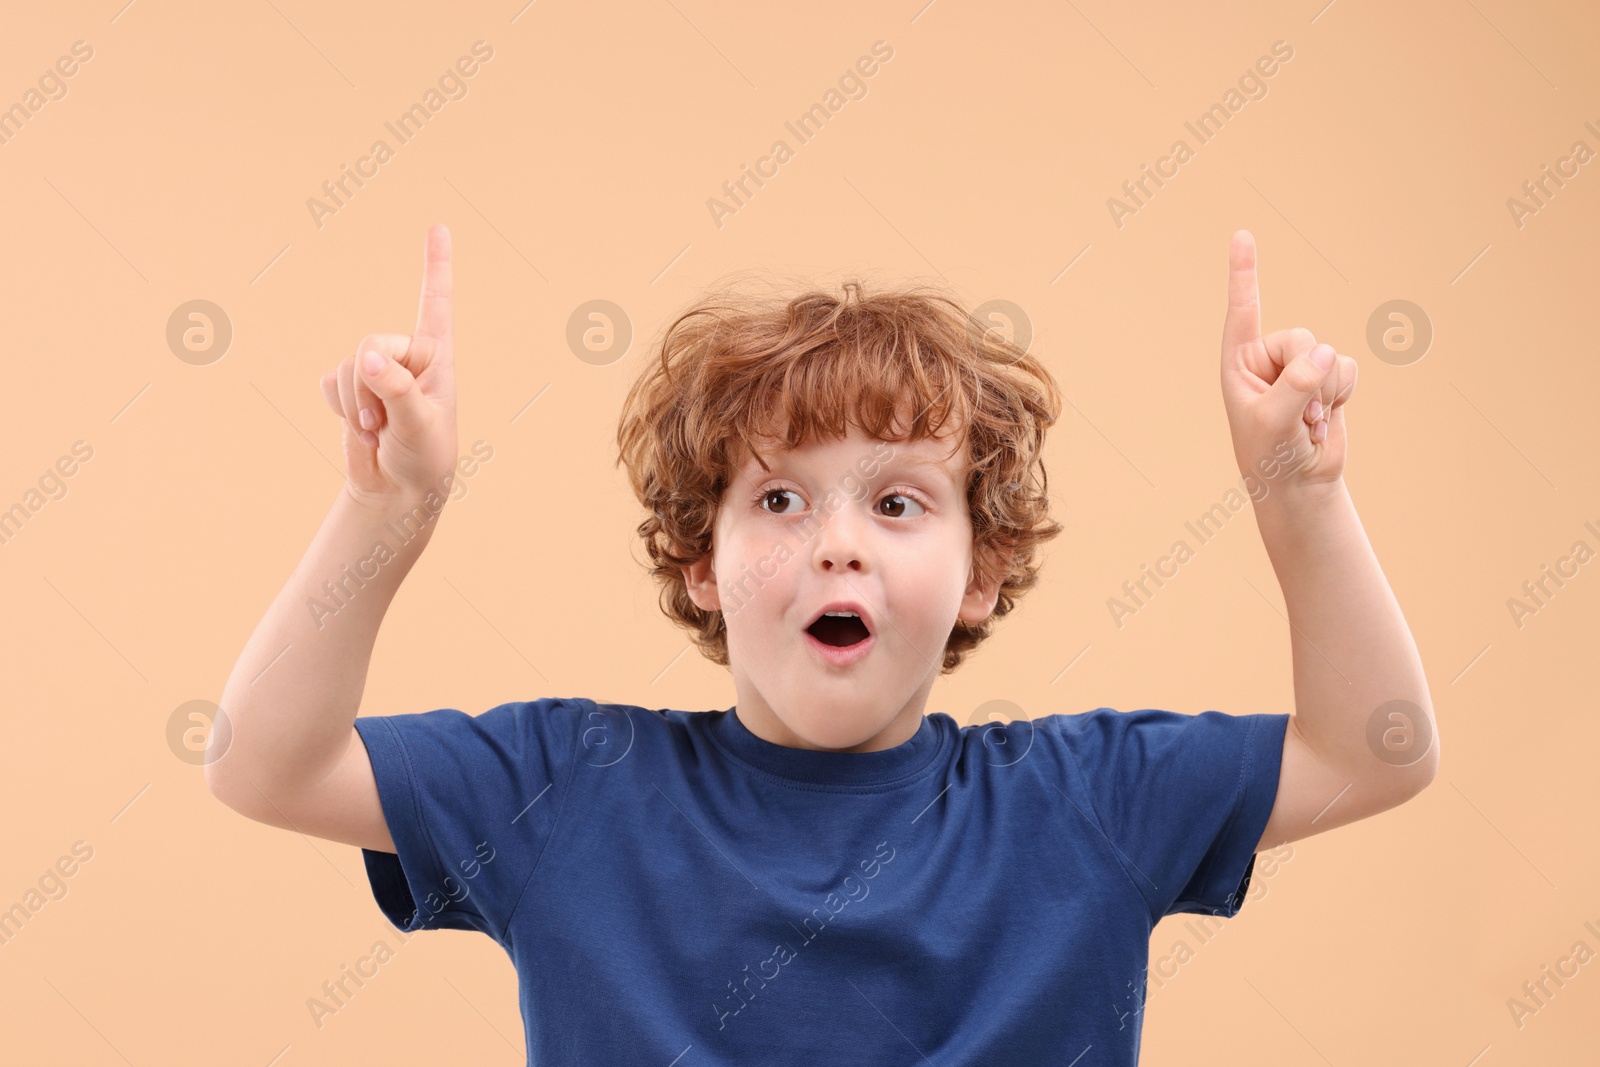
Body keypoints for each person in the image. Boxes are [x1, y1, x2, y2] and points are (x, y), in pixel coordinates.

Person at [208, 223, 1438, 1063]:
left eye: (897, 501)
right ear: (704, 562)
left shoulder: (1088, 802)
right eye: (781, 500)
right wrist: (387, 512)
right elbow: (263, 764)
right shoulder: (565, 788)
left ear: (981, 572)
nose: (837, 542)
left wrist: (1300, 492)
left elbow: (1377, 750)